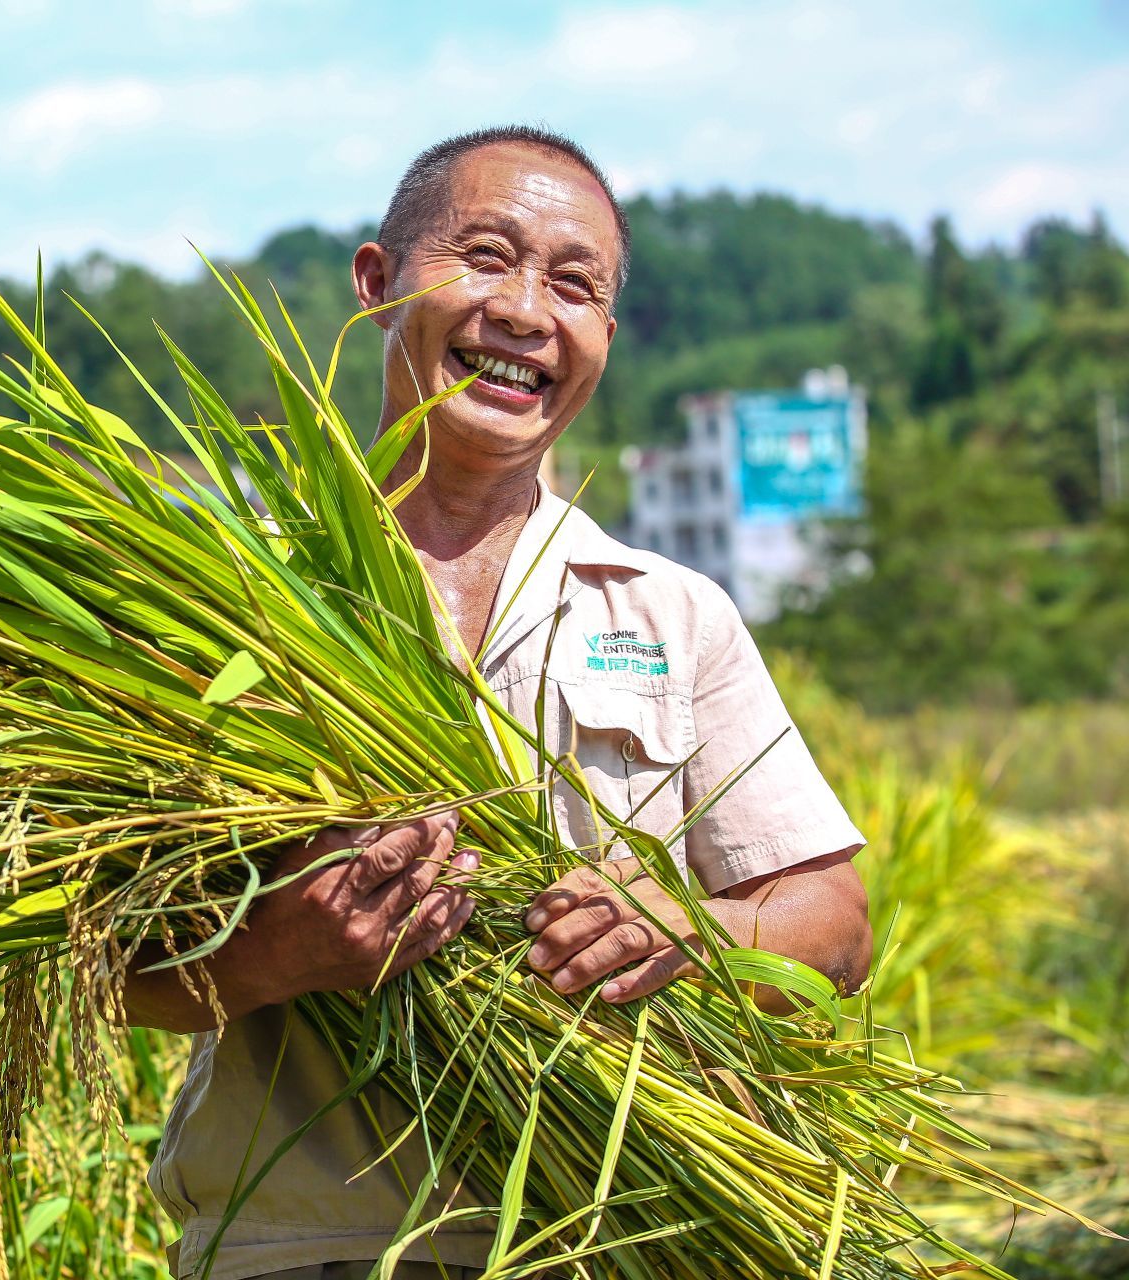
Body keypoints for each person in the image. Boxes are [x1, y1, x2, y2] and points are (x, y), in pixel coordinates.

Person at [122, 126, 874, 1280]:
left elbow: (833, 919)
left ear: (604, 342)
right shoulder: (230, 603)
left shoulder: (672, 613)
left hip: (623, 1238)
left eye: (576, 285)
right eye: (487, 256)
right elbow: (118, 970)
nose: (528, 312)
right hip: (303, 1248)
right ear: (377, 284)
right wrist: (286, 951)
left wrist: (695, 932)